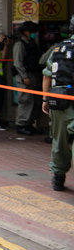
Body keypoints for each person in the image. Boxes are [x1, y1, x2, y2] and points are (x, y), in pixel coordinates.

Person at [41, 14, 74, 191]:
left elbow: (47, 75)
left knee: (59, 141)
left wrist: (45, 99)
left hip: (58, 101)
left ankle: (58, 177)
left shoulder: (58, 49)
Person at [13, 20, 43, 135]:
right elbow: (18, 63)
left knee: (35, 101)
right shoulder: (20, 44)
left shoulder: (32, 43)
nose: (34, 33)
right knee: (25, 100)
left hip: (34, 75)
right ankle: (22, 124)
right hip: (24, 76)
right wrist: (24, 76)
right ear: (25, 32)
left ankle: (29, 123)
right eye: (32, 31)